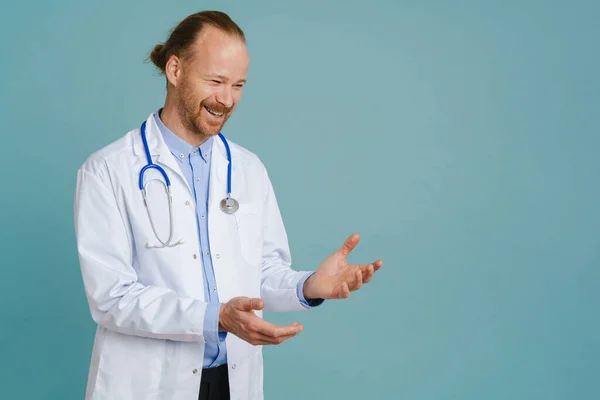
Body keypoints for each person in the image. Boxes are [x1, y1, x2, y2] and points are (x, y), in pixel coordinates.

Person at [73, 10, 382, 400]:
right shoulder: (107, 171)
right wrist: (216, 317)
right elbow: (112, 297)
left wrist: (309, 286)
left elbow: (261, 272)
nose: (227, 99)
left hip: (232, 382)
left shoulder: (249, 169)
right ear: (174, 70)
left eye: (238, 85)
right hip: (148, 384)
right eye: (216, 81)